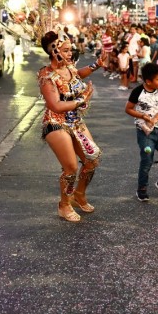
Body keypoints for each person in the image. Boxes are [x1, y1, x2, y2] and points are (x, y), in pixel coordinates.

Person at [38, 30, 105, 222]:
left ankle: (79, 194)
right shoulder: (47, 75)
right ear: (54, 51)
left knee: (92, 159)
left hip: (75, 121)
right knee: (70, 168)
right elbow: (55, 105)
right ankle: (64, 205)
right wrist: (81, 100)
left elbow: (77, 75)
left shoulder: (68, 67)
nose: (70, 54)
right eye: (66, 50)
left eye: (70, 50)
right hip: (56, 122)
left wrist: (95, 65)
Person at [125, 62, 158, 202]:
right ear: (148, 81)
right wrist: (142, 116)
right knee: (147, 159)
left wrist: (155, 118)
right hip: (144, 132)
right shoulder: (137, 91)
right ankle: (142, 188)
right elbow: (128, 109)